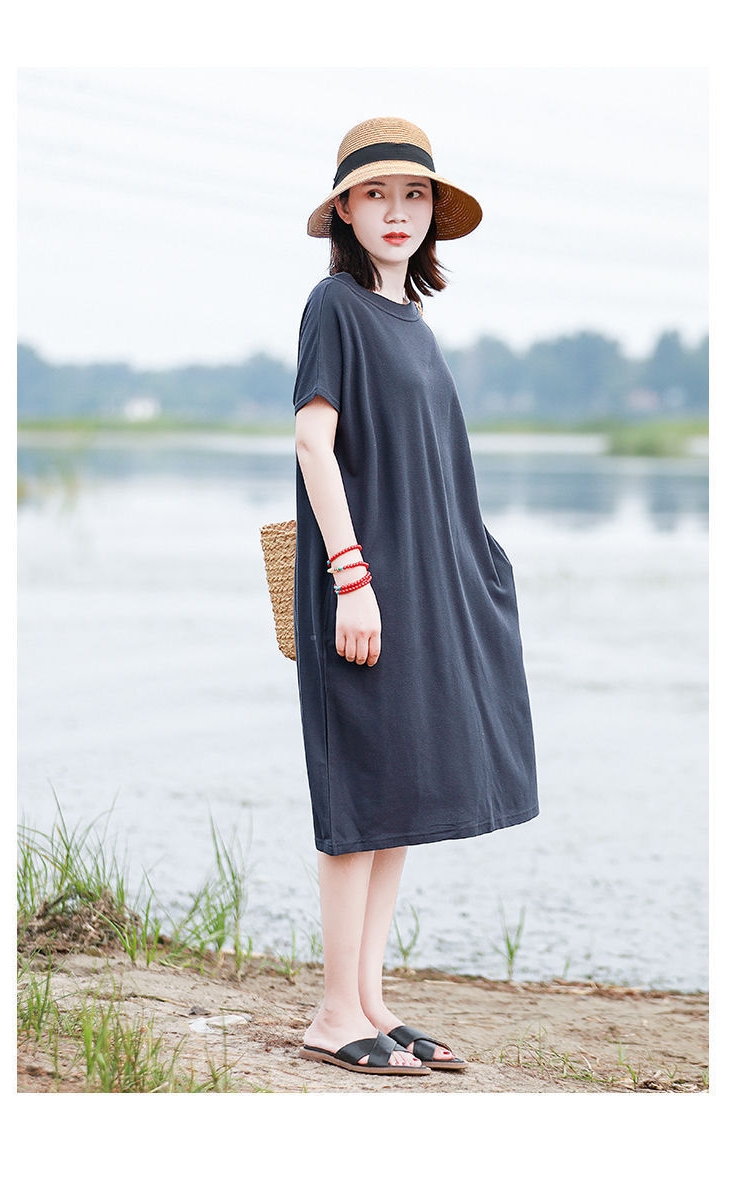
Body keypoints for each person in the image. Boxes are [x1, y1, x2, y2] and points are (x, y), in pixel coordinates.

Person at [292, 117, 538, 1076]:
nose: (397, 212)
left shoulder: (416, 325)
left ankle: (370, 1001)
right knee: (358, 798)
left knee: (394, 800)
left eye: (414, 195)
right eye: (376, 195)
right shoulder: (335, 306)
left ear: (432, 213)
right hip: (363, 589)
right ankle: (331, 1013)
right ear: (345, 212)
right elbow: (314, 444)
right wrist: (352, 579)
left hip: (419, 591)